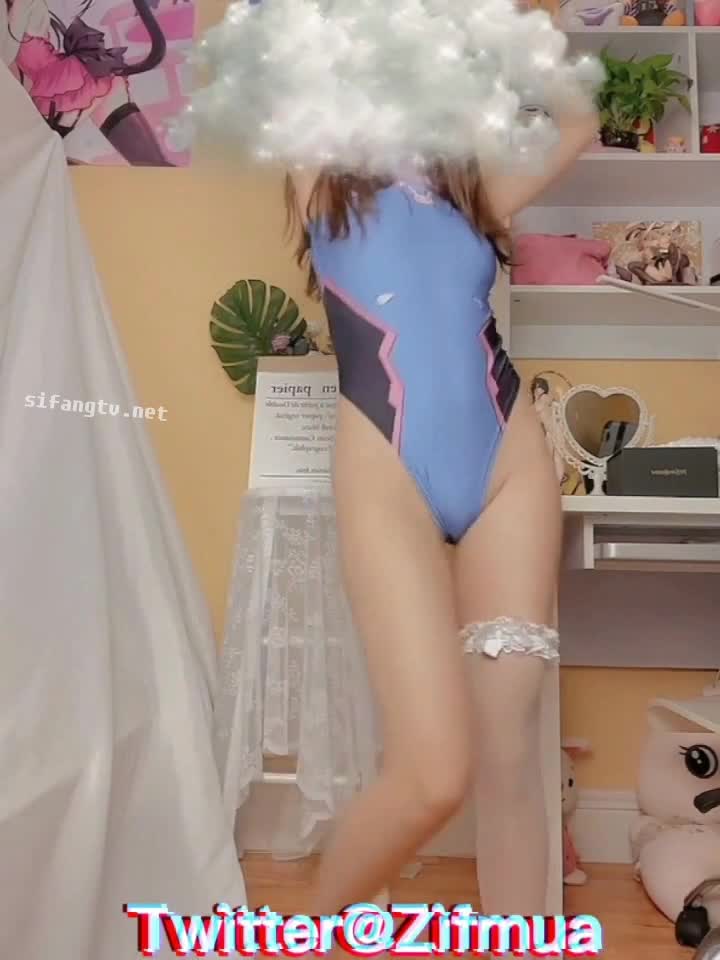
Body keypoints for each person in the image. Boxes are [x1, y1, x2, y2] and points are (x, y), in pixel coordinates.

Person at [284, 108, 598, 924]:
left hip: (507, 469)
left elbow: (579, 114)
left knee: (509, 756)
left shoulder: (473, 187)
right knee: (433, 775)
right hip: (385, 470)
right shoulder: (322, 176)